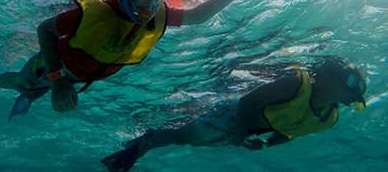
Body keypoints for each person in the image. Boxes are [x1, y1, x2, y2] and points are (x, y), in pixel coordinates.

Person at [0, 0, 263, 120]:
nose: (147, 3)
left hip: (75, 78)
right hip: (50, 69)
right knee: (25, 84)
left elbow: (199, 15)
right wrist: (58, 80)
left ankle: (29, 96)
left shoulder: (157, 14)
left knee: (35, 95)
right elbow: (44, 29)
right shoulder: (93, 14)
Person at [101, 56, 367, 172]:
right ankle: (139, 145)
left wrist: (264, 145)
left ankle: (142, 142)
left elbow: (291, 133)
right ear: (327, 77)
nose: (351, 92)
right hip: (234, 115)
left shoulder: (329, 120)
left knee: (185, 136)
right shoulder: (297, 83)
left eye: (356, 89)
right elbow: (250, 101)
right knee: (181, 135)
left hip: (247, 131)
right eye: (349, 81)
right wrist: (240, 131)